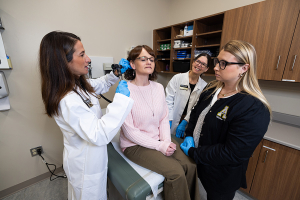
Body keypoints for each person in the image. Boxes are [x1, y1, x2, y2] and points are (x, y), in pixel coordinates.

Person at [39, 31, 134, 200]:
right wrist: (121, 101)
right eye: (82, 54)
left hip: (93, 158)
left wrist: (115, 74)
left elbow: (99, 84)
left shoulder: (77, 83)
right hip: (85, 166)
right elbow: (99, 134)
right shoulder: (67, 100)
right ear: (62, 61)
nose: (88, 59)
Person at [180, 40, 272, 200]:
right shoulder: (211, 89)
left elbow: (233, 153)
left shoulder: (254, 108)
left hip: (220, 176)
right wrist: (189, 133)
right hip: (195, 164)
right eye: (217, 61)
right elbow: (195, 114)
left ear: (244, 68)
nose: (215, 67)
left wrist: (194, 152)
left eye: (223, 63)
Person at [119, 45, 200, 200]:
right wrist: (160, 146)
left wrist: (166, 141)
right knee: (176, 173)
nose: (148, 62)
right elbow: (130, 131)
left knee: (190, 166)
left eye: (151, 59)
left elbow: (163, 118)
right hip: (134, 145)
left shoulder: (158, 87)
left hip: (157, 138)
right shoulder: (124, 89)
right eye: (143, 59)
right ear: (132, 64)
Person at [166, 53, 210, 137]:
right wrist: (169, 119)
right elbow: (168, 99)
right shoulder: (177, 78)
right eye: (198, 61)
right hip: (171, 116)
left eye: (203, 64)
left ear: (206, 69)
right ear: (193, 62)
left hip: (189, 121)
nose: (199, 65)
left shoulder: (204, 86)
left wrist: (185, 121)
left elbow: (197, 106)